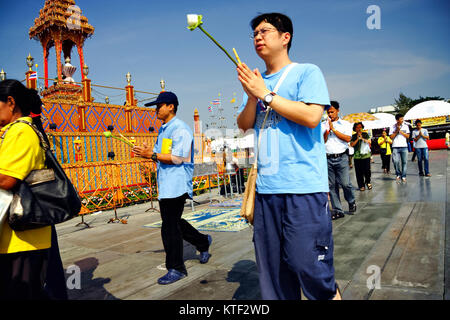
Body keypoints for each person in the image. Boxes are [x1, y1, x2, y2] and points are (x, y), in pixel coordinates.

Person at [236, 12, 340, 300]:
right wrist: (254, 95)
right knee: (274, 275)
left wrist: (265, 94)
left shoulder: (306, 72)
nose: (258, 37)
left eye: (265, 31)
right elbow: (244, 124)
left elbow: (311, 116)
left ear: (285, 37)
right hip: (267, 190)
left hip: (302, 187)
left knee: (312, 268)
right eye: (254, 33)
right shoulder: (257, 82)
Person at [132, 91, 212, 285]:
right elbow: (163, 153)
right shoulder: (164, 129)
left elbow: (178, 157)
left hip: (176, 184)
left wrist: (151, 155)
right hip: (166, 184)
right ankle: (202, 241)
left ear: (171, 106)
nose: (156, 110)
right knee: (174, 223)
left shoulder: (180, 129)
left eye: (159, 106)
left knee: (169, 228)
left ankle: (176, 268)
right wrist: (149, 152)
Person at [0, 79, 65, 299]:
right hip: (18, 235)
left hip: (23, 237)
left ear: (10, 102)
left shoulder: (21, 131)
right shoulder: (13, 131)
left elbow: (6, 179)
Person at [322, 101, 356, 220]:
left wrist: (334, 130)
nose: (330, 114)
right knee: (332, 186)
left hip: (341, 157)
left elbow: (348, 138)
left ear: (337, 111)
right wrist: (327, 131)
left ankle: (351, 201)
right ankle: (337, 210)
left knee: (345, 183)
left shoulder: (345, 124)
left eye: (332, 112)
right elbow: (323, 141)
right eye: (328, 112)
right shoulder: (323, 125)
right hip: (328, 158)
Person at [350, 122, 372, 191]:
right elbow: (352, 144)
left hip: (366, 156)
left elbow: (369, 142)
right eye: (357, 127)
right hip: (357, 156)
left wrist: (362, 138)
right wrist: (357, 139)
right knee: (359, 172)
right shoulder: (353, 136)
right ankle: (361, 185)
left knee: (367, 171)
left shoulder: (365, 134)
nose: (359, 129)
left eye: (360, 127)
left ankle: (368, 182)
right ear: (355, 129)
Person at [389, 114, 410, 183]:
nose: (402, 120)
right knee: (395, 161)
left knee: (404, 162)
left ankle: (403, 176)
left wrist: (401, 132)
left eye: (402, 119)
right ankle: (398, 173)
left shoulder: (405, 126)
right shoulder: (392, 127)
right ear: (397, 120)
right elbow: (391, 137)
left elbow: (407, 136)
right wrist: (396, 131)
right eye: (401, 119)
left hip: (404, 146)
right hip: (395, 147)